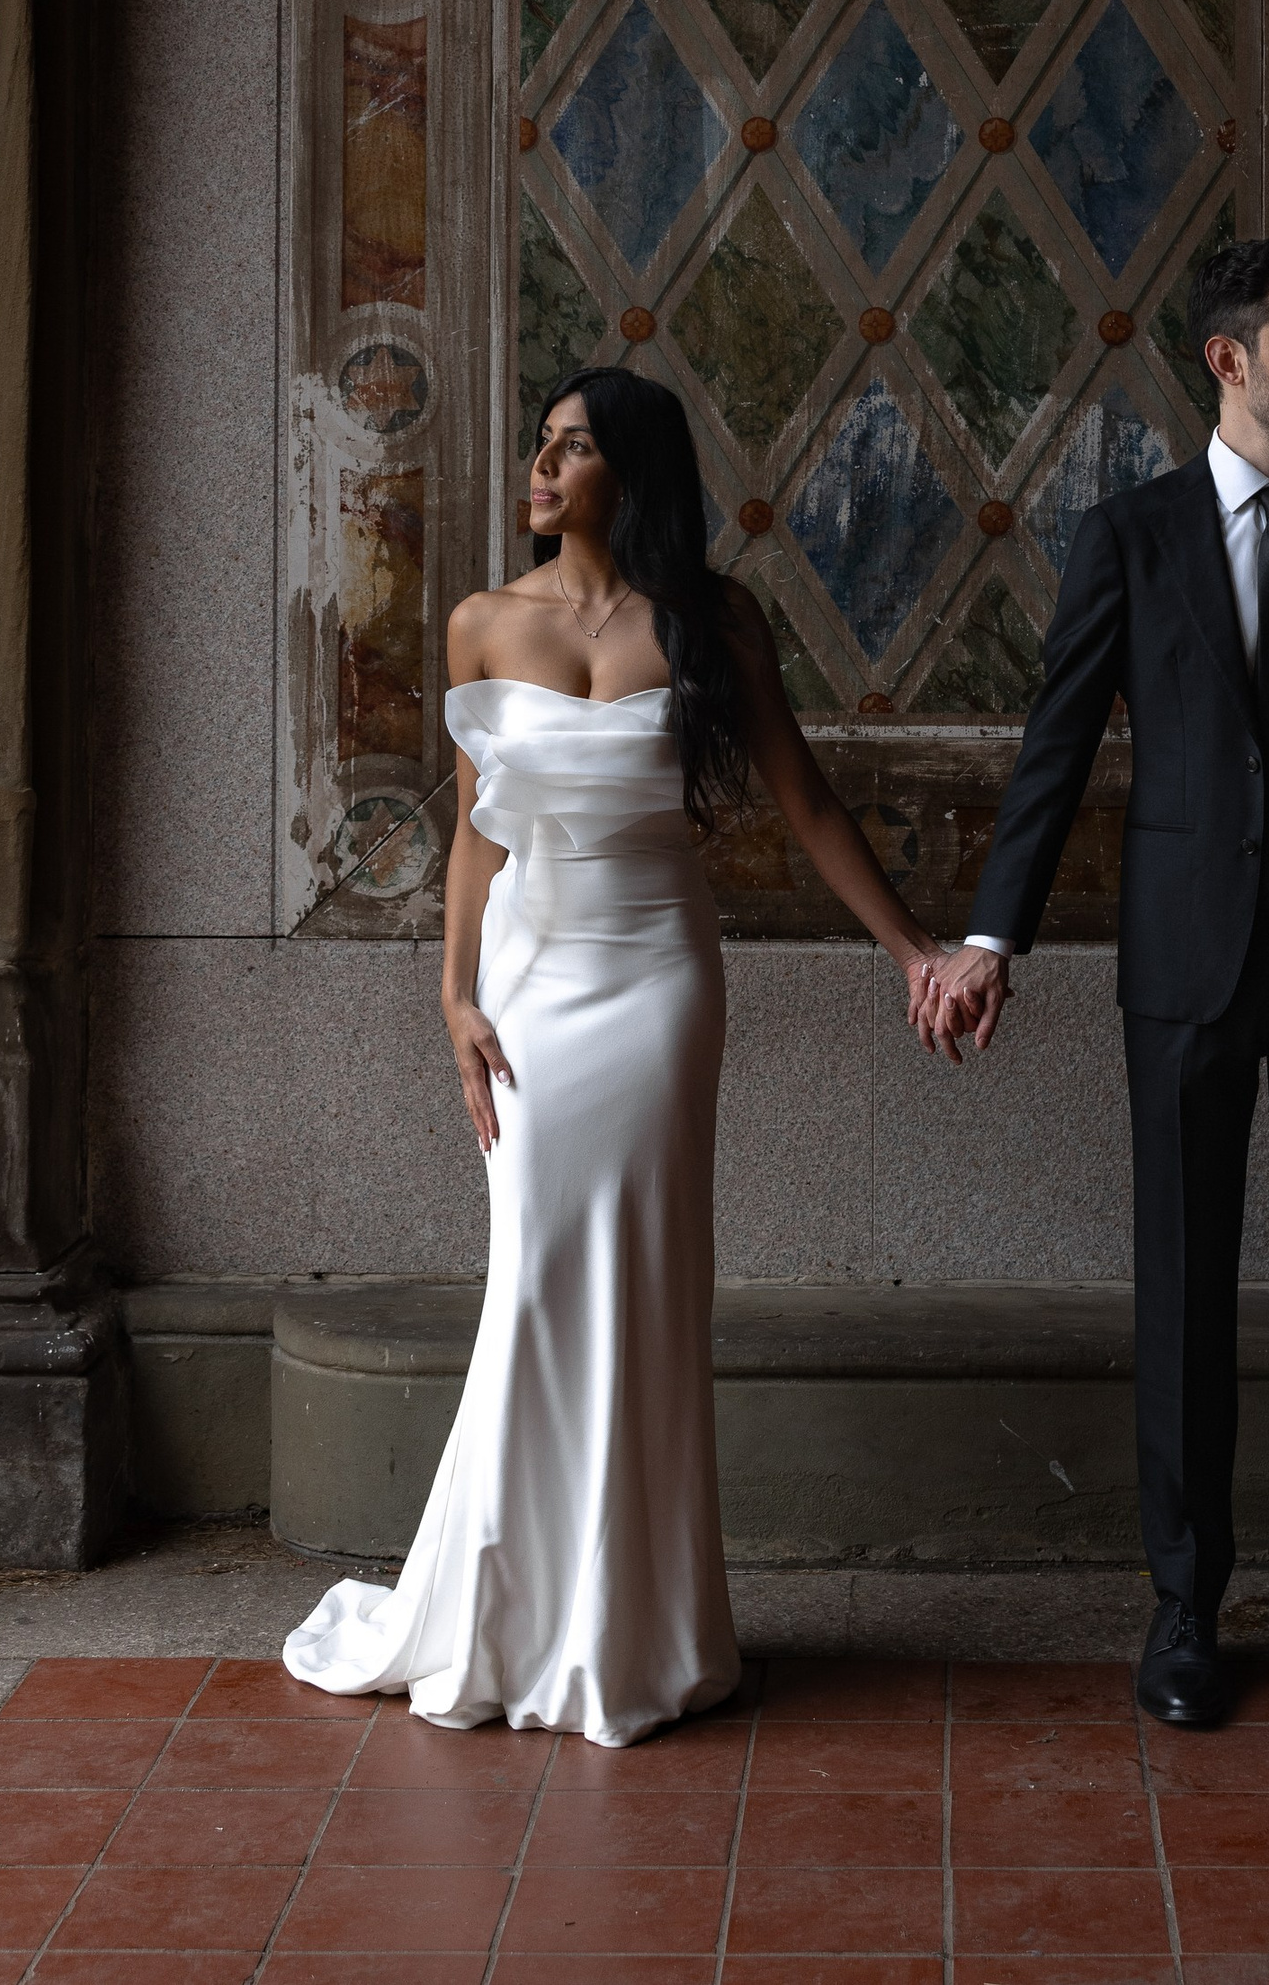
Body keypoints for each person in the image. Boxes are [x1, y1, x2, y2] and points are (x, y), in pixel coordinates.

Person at [284, 364, 944, 1746]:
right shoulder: (481, 623)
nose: (539, 467)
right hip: (529, 978)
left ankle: (636, 1630)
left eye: (570, 449)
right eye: (540, 444)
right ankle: (511, 1615)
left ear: (627, 477)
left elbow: (807, 805)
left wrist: (912, 953)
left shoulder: (712, 626)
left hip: (656, 980)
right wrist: (452, 998)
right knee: (532, 1280)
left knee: (645, 1283)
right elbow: (476, 826)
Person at [919, 233, 1269, 1732]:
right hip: (1187, 964)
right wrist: (993, 936)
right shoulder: (1134, 535)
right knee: (1180, 1282)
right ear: (1229, 359)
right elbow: (1056, 749)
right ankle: (1183, 1611)